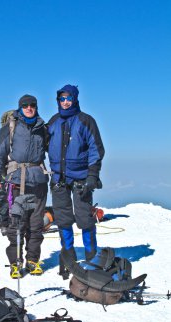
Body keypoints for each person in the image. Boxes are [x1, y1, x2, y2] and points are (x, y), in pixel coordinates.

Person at [47, 84, 105, 278]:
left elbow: (96, 150)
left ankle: (91, 256)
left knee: (84, 217)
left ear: (75, 99)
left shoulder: (86, 121)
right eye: (62, 99)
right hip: (59, 178)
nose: (65, 102)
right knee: (63, 218)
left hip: (81, 178)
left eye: (68, 98)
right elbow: (41, 146)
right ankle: (68, 255)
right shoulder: (53, 122)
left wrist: (92, 175)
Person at [0, 94, 48, 278]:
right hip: (16, 181)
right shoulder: (11, 128)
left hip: (38, 180)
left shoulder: (42, 129)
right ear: (20, 108)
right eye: (25, 105)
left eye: (32, 105)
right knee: (16, 223)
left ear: (36, 107)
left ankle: (32, 260)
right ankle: (15, 263)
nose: (29, 108)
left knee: (36, 223)